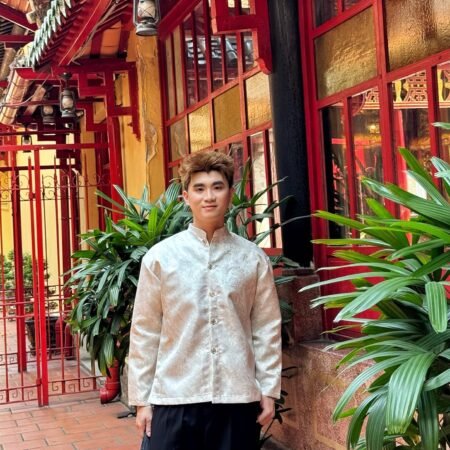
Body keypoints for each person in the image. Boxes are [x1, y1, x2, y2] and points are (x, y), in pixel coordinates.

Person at [128, 151, 282, 450]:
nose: (209, 197)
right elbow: (146, 330)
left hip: (236, 398)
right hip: (174, 396)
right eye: (199, 188)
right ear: (186, 197)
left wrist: (268, 390)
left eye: (217, 187)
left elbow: (266, 328)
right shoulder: (160, 258)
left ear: (230, 194)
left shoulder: (252, 259)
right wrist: (142, 401)